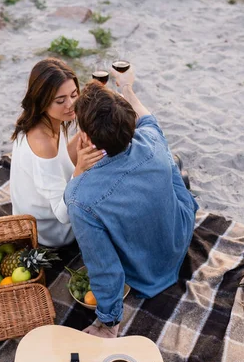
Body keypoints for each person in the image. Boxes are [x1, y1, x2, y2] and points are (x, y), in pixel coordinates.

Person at [64, 66, 198, 338]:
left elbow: (104, 267)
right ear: (129, 124)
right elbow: (147, 118)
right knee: (171, 164)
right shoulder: (150, 139)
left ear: (86, 138)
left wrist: (108, 321)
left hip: (144, 276)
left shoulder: (79, 197)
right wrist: (127, 88)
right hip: (180, 237)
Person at [10, 58, 104, 247]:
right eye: (60, 100)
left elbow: (59, 162)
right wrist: (80, 170)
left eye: (74, 94)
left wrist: (84, 134)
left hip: (43, 212)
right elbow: (63, 214)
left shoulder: (46, 121)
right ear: (42, 102)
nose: (70, 104)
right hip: (50, 231)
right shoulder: (42, 142)